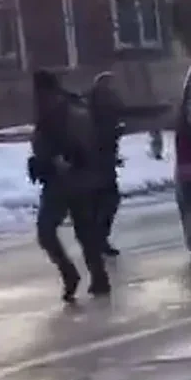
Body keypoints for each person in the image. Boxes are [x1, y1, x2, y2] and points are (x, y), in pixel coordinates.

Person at [30, 70, 110, 302]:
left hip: (75, 181)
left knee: (73, 232)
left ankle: (90, 276)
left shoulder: (71, 112)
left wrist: (68, 158)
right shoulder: (49, 111)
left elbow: (87, 146)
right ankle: (83, 275)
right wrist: (40, 162)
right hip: (59, 182)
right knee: (73, 232)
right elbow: (43, 145)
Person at [86, 72, 125, 256]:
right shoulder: (100, 107)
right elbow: (101, 135)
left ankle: (97, 239)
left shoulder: (95, 105)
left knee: (103, 201)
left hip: (100, 161)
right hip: (98, 162)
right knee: (108, 200)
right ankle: (98, 239)